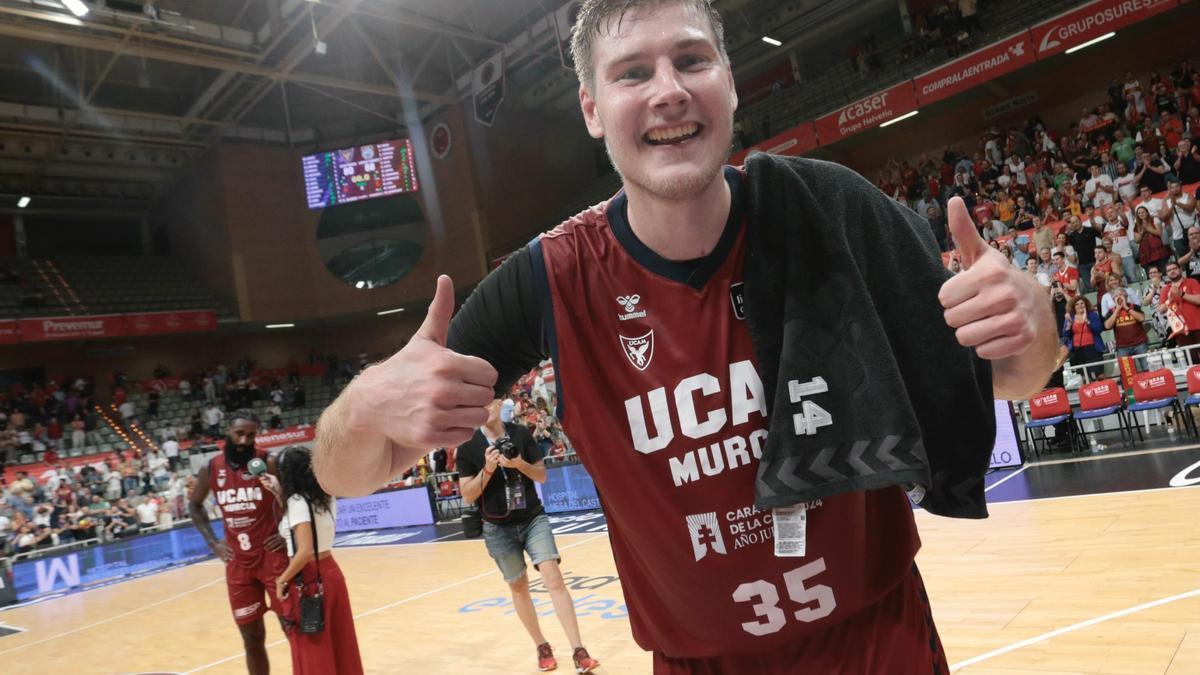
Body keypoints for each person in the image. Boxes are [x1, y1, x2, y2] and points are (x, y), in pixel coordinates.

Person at [311, 1, 1057, 671]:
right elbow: (345, 474)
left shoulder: (829, 210)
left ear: (729, 82)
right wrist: (366, 404)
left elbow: (1016, 376)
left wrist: (1031, 324)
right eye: (633, 72)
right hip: (699, 660)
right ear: (592, 108)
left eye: (691, 59)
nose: (667, 90)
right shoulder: (547, 279)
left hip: (877, 641)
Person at [457, 399, 600, 672]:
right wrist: (488, 469)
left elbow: (541, 476)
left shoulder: (520, 433)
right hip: (497, 528)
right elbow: (468, 494)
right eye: (479, 405)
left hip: (532, 518)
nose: (484, 409)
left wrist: (519, 464)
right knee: (518, 587)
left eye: (489, 403)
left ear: (499, 402)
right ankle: (541, 645)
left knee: (553, 578)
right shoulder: (467, 446)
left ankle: (579, 650)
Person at [188, 410, 289, 675]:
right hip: (238, 564)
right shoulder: (211, 468)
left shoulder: (268, 461)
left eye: (251, 435)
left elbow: (295, 497)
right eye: (239, 434)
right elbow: (194, 505)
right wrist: (213, 543)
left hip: (273, 558)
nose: (244, 440)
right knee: (252, 638)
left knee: (291, 626)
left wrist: (286, 532)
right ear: (227, 431)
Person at [259, 446, 363, 675]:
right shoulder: (325, 496)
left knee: (311, 646)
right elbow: (305, 516)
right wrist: (278, 493)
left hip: (307, 577)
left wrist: (281, 580)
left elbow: (304, 550)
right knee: (340, 640)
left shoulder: (296, 502)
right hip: (331, 572)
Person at [1062, 296, 1106, 381]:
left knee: (1099, 374)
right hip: (1077, 350)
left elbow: (1099, 329)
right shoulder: (1070, 317)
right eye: (1077, 304)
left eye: (1082, 303)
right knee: (1084, 376)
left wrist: (1087, 321)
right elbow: (1065, 335)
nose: (1080, 306)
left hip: (1093, 349)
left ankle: (1103, 388)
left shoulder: (1092, 315)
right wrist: (1069, 324)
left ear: (1086, 304)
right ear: (1073, 306)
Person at [1104, 287, 1149, 358]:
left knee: (1146, 364)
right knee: (1125, 365)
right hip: (1122, 347)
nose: (1119, 297)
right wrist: (1116, 310)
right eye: (1116, 296)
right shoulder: (1111, 311)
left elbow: (1141, 318)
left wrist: (1126, 308)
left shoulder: (1134, 307)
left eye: (1121, 294)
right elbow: (1107, 326)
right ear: (1113, 299)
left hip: (1140, 343)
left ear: (1126, 297)